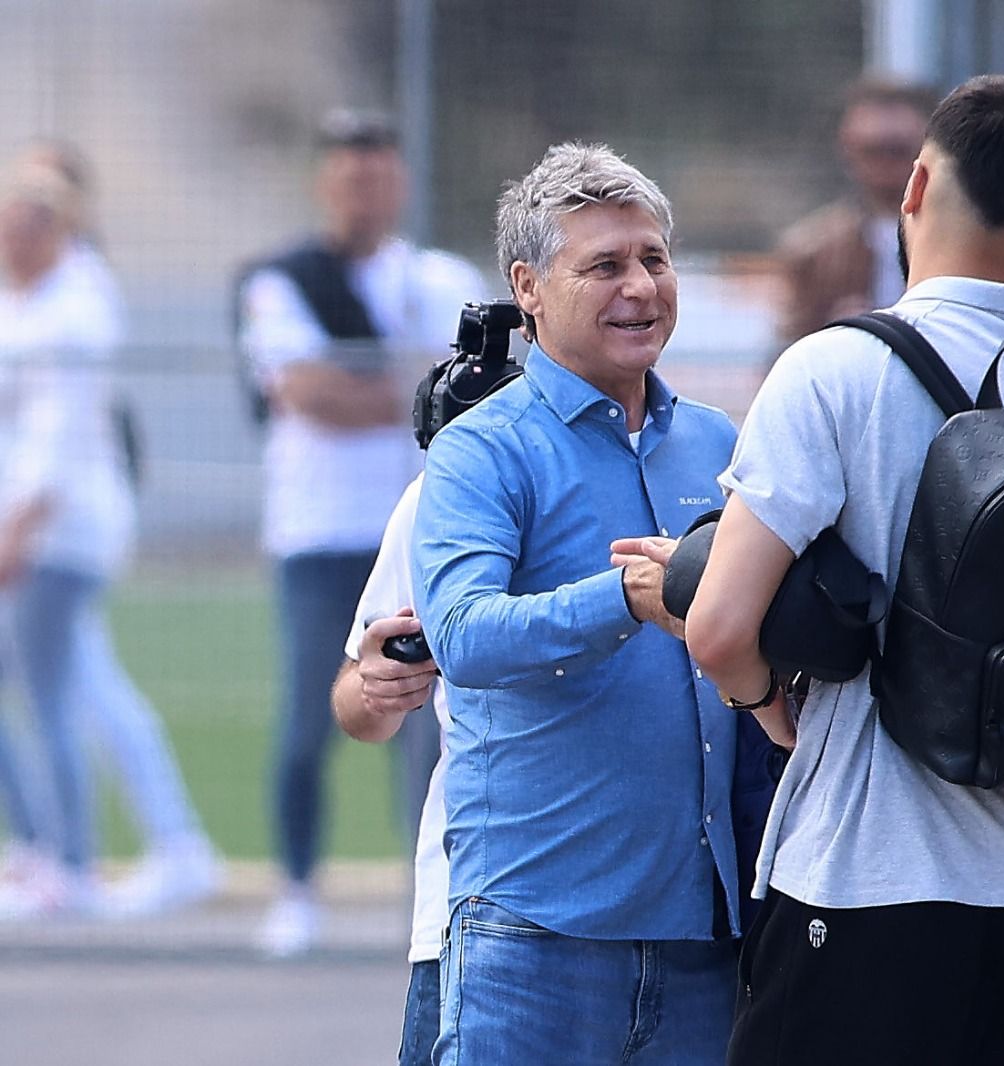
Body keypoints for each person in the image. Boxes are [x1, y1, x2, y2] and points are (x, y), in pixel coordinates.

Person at [678, 74, 1004, 1065]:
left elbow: (719, 626)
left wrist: (768, 703)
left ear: (915, 188)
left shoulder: (833, 369)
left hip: (863, 869)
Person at [411, 142, 760, 1063]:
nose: (640, 287)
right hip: (535, 936)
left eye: (653, 259)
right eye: (603, 266)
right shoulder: (483, 450)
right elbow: (462, 636)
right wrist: (626, 598)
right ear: (527, 287)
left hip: (703, 936)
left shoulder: (718, 442)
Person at [237, 109, 483, 956]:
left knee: (429, 722)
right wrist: (408, 388)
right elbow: (310, 394)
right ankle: (297, 886)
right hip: (319, 531)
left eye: (376, 173)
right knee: (314, 712)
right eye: (346, 174)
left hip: (423, 527)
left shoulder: (437, 275)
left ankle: (432, 890)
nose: (362, 190)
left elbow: (469, 393)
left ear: (399, 181)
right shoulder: (282, 282)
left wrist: (386, 387)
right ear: (323, 183)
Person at [0, 141, 222, 918]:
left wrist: (18, 531)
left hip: (56, 535)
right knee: (80, 692)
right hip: (35, 527)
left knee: (56, 699)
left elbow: (57, 439)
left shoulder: (74, 303)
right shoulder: (27, 299)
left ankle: (66, 861)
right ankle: (105, 848)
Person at [330, 476, 445, 1066]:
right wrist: (378, 688)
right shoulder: (449, 483)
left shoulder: (700, 445)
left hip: (686, 918)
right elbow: (357, 695)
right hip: (479, 919)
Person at [772, 77, 939, 349]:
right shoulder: (812, 249)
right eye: (872, 151)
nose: (885, 165)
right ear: (848, 149)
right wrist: (831, 332)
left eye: (897, 150)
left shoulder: (965, 237)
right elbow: (782, 352)